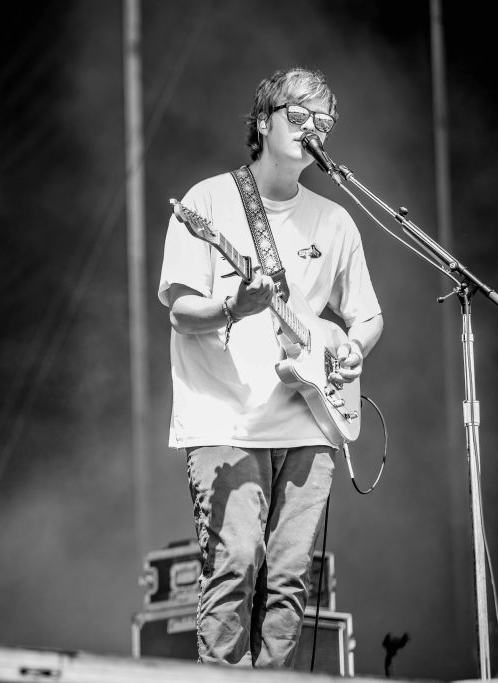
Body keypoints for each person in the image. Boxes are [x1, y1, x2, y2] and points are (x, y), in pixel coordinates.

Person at [157, 67, 383, 667]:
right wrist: (236, 306)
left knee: (289, 582)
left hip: (310, 418)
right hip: (225, 419)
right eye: (298, 116)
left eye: (323, 121)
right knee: (233, 565)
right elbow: (181, 312)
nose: (313, 129)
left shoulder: (334, 219)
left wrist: (353, 347)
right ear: (263, 122)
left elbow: (367, 315)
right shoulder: (208, 202)